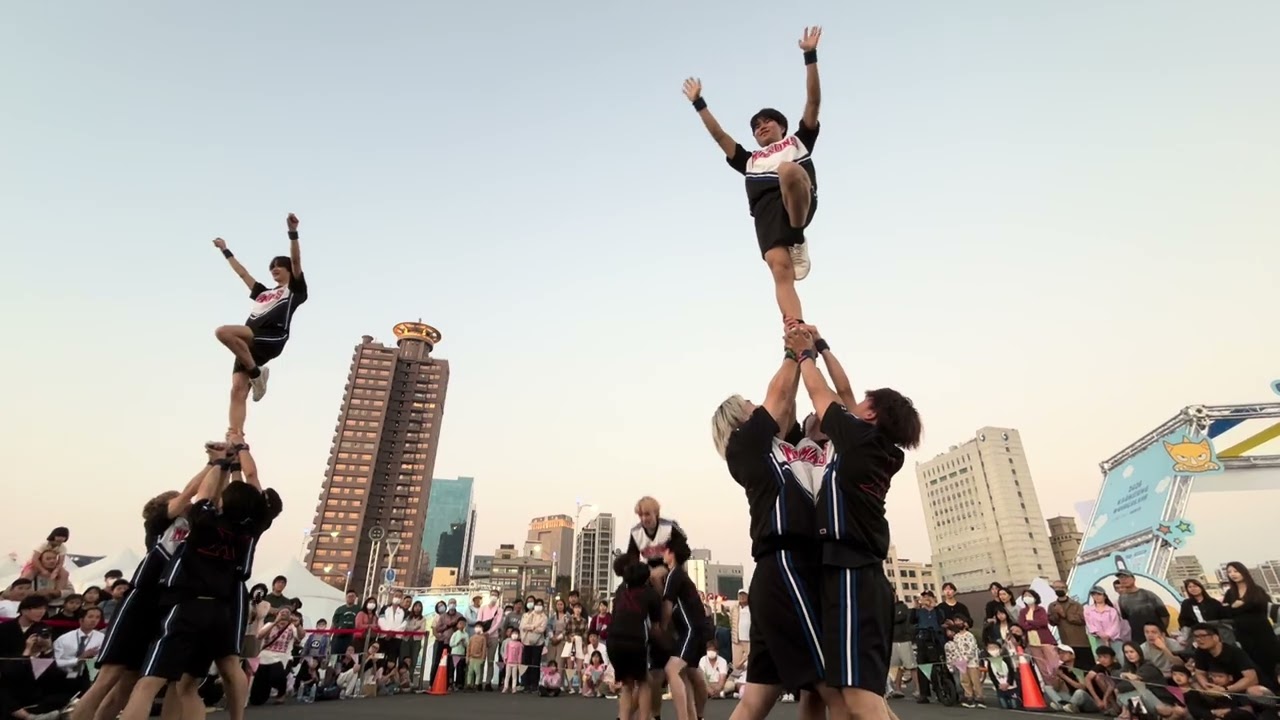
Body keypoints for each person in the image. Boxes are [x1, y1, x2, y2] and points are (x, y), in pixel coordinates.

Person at [784, 324, 922, 720]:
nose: (853, 402)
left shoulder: (859, 439)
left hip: (851, 571)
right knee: (859, 696)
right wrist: (822, 345)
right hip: (862, 573)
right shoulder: (875, 444)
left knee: (859, 697)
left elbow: (821, 393)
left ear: (872, 414)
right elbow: (841, 389)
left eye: (863, 402)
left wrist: (803, 353)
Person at [710, 345, 848, 720]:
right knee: (834, 688)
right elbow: (780, 395)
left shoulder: (783, 447)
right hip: (786, 566)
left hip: (787, 571)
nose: (759, 405)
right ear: (740, 420)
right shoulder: (745, 446)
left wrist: (806, 361)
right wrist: (794, 348)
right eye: (751, 405)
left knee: (759, 699)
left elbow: (788, 404)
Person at [115, 439, 282, 720]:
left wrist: (219, 461)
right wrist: (238, 457)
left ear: (225, 501)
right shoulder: (253, 528)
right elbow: (250, 480)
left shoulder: (205, 522)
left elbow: (206, 493)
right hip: (222, 608)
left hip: (187, 605)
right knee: (192, 682)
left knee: (148, 683)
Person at [681, 26, 824, 326]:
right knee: (780, 270)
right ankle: (795, 328)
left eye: (767, 121)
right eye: (756, 126)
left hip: (796, 194)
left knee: (787, 170)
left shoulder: (798, 141)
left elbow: (813, 103)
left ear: (782, 127)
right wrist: (699, 103)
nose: (762, 127)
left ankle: (797, 237)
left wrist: (810, 56)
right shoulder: (749, 160)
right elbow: (720, 136)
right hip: (766, 213)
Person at [70, 446, 219, 720]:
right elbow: (191, 492)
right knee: (107, 678)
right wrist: (212, 463)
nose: (187, 502)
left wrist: (222, 467)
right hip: (139, 602)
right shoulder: (158, 523)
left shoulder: (192, 528)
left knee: (128, 684)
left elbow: (208, 497)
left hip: (165, 605)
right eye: (178, 500)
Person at [211, 212, 308, 433]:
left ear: (288, 270)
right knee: (237, 390)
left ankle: (256, 375)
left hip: (271, 336)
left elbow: (296, 261)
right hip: (248, 346)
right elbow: (242, 273)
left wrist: (292, 232)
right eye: (271, 267)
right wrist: (225, 250)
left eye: (279, 266)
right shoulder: (262, 293)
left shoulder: (295, 289)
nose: (274, 269)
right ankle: (236, 436)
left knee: (223, 332)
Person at [660, 534, 711, 720]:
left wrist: (662, 629)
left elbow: (667, 607)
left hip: (691, 631)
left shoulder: (674, 575)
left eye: (664, 550)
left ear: (671, 553)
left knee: (671, 670)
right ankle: (695, 717)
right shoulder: (682, 576)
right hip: (696, 630)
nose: (662, 554)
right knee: (687, 675)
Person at [606, 555, 662, 720]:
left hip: (613, 641)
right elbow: (656, 628)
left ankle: (623, 718)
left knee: (627, 685)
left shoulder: (620, 593)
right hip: (635, 641)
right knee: (643, 682)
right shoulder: (650, 594)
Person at [626, 496, 688, 568]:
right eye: (640, 515)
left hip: (673, 568)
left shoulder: (669, 527)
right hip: (650, 568)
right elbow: (632, 558)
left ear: (656, 513)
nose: (644, 518)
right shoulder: (636, 532)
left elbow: (684, 551)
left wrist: (666, 568)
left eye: (647, 514)